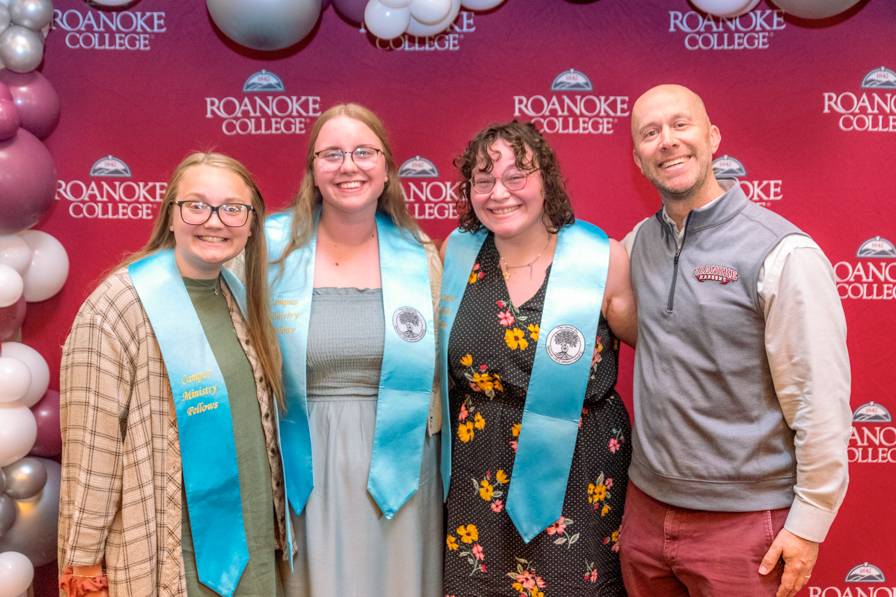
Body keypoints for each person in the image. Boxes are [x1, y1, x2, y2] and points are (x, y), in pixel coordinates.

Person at [618, 84, 852, 597]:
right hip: (644, 513)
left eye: (681, 125)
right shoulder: (635, 247)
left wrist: (808, 524)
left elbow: (821, 397)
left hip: (747, 524)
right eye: (650, 133)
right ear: (638, 159)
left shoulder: (783, 252)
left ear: (713, 137)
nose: (667, 141)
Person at [58, 153, 292, 597]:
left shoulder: (238, 294)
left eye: (232, 208)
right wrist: (83, 563)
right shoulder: (116, 308)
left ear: (250, 222)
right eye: (197, 205)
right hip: (168, 555)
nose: (215, 221)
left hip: (251, 547)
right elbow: (93, 452)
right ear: (170, 215)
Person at [439, 121, 637, 596]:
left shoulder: (603, 259)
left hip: (578, 468)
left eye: (516, 176)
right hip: (477, 473)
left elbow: (665, 353)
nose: (498, 193)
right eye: (483, 180)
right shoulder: (454, 255)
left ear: (546, 180)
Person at [266, 103, 443, 596]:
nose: (349, 165)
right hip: (305, 458)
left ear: (387, 168)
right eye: (332, 154)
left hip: (403, 458)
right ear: (312, 171)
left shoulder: (423, 254)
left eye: (364, 152)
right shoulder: (267, 250)